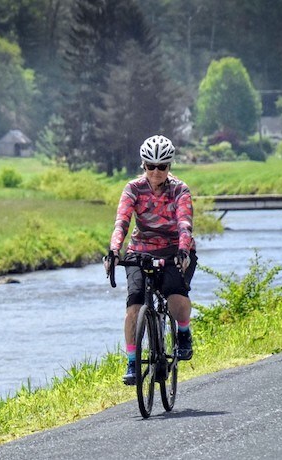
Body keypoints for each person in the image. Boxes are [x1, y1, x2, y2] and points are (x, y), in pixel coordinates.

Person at [103, 134, 197, 385]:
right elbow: (122, 222)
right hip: (141, 250)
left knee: (175, 294)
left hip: (174, 249)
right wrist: (114, 251)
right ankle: (132, 362)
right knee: (134, 305)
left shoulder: (179, 189)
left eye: (162, 166)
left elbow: (185, 224)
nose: (156, 172)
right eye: (151, 166)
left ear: (170, 166)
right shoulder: (133, 188)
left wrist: (183, 250)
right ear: (143, 165)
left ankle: (184, 333)